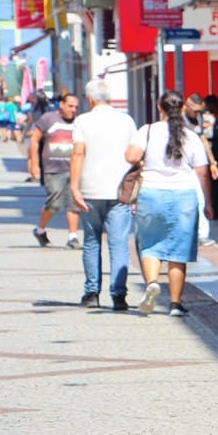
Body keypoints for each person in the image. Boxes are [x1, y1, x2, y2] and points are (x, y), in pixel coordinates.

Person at [126, 90, 212, 317]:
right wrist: (208, 203)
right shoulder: (191, 135)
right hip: (184, 195)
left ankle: (152, 282)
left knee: (150, 244)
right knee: (179, 250)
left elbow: (131, 156)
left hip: (151, 193)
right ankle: (175, 303)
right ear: (183, 108)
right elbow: (202, 172)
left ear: (159, 107)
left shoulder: (148, 130)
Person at [69, 78, 137, 310]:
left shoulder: (82, 121)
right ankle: (119, 295)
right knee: (119, 243)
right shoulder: (126, 120)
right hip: (120, 191)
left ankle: (91, 293)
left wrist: (74, 187)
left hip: (90, 189)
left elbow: (78, 153)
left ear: (90, 99)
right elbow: (136, 155)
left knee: (91, 241)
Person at [29, 92, 82, 248]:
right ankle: (40, 230)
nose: (73, 110)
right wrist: (33, 164)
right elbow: (34, 140)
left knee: (74, 203)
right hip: (53, 169)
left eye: (76, 107)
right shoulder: (48, 119)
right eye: (70, 106)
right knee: (54, 203)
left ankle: (72, 237)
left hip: (74, 169)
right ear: (62, 105)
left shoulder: (79, 122)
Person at [183, 93, 218, 245]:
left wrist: (212, 162)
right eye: (195, 111)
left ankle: (202, 234)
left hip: (196, 164)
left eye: (200, 112)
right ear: (186, 106)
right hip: (182, 164)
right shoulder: (179, 119)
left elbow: (203, 139)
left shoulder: (197, 119)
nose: (198, 114)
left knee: (201, 198)